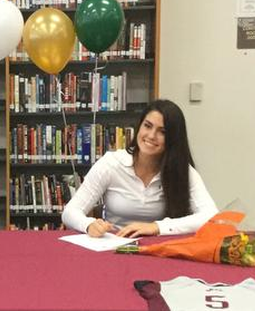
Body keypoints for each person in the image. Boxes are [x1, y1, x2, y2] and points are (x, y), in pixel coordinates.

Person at [62, 99, 219, 238]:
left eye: (162, 132)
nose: (151, 135)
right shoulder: (111, 164)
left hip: (158, 248)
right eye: (147, 126)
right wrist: (89, 225)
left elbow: (211, 217)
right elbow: (70, 212)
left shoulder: (182, 170)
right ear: (139, 126)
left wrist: (156, 227)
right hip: (113, 245)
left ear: (173, 139)